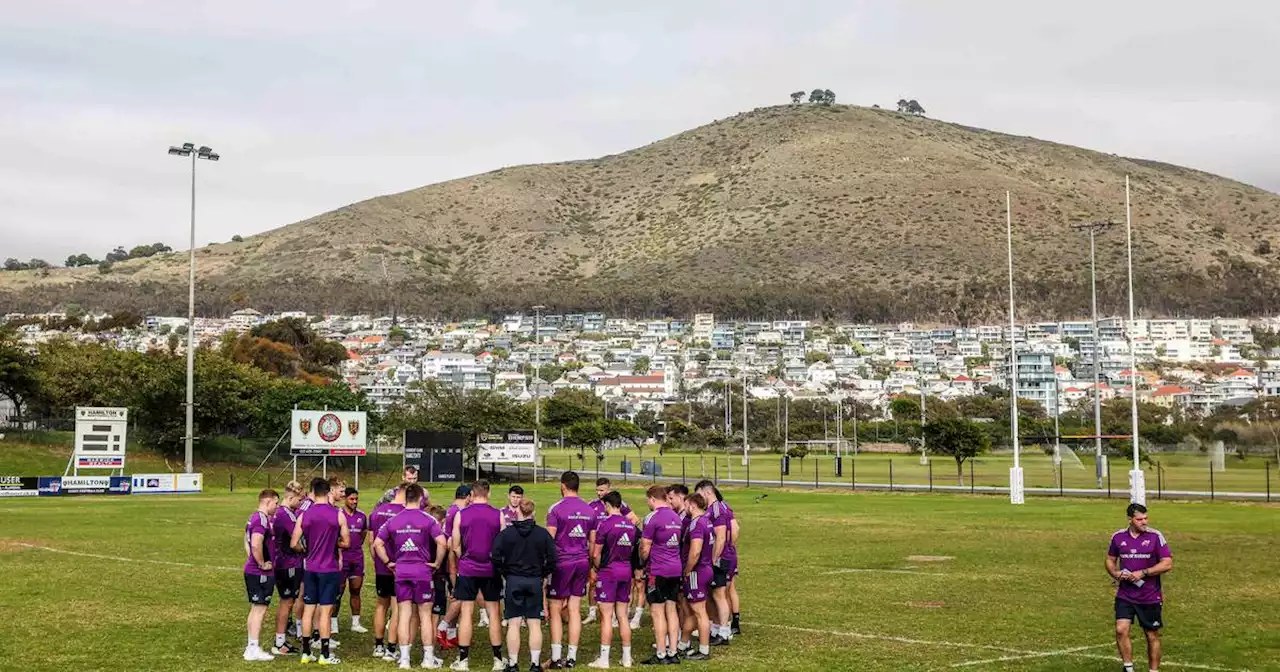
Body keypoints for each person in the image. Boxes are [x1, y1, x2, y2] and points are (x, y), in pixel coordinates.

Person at [376, 483, 449, 670]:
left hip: (401, 572)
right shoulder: (428, 519)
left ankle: (405, 659)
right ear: (420, 498)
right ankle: (427, 658)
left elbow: (377, 543)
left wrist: (387, 562)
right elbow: (442, 543)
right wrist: (438, 563)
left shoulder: (394, 520)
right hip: (422, 572)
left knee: (404, 615)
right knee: (425, 616)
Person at [491, 497, 557, 672]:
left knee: (514, 622)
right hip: (534, 580)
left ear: (517, 511)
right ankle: (535, 664)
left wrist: (505, 571)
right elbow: (552, 558)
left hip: (513, 579)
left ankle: (513, 664)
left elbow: (495, 556)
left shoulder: (506, 534)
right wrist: (542, 574)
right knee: (534, 622)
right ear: (533, 513)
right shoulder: (542, 534)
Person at [1107, 503, 1173, 672]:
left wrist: (1143, 572)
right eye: (1139, 519)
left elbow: (1167, 563)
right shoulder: (1118, 537)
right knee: (1121, 630)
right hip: (1125, 594)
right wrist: (1115, 573)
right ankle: (1128, 668)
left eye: (1146, 518)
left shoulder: (1155, 536)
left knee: (1151, 635)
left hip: (1149, 596)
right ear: (1130, 520)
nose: (1144, 522)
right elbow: (1110, 559)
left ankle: (1153, 670)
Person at [292, 478, 351, 665]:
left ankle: (306, 652)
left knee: (308, 610)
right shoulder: (338, 514)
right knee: (325, 612)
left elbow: (294, 543)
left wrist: (306, 550)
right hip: (329, 568)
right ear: (328, 493)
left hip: (310, 568)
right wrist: (334, 543)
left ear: (313, 492)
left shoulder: (304, 515)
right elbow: (347, 542)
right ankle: (325, 654)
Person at [544, 472, 598, 670]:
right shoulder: (589, 509)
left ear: (563, 485)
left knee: (556, 609)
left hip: (561, 563)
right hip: (582, 561)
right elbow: (592, 541)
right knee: (575, 609)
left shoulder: (556, 509)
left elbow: (549, 539)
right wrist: (590, 562)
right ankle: (572, 657)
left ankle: (557, 657)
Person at [451, 480, 506, 671]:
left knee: (466, 612)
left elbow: (455, 545)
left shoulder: (461, 514)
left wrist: (464, 558)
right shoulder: (498, 514)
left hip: (468, 568)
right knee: (494, 613)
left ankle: (463, 660)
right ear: (488, 493)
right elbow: (503, 545)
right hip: (491, 569)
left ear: (472, 495)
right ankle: (498, 660)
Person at [587, 491, 636, 669]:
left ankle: (604, 659)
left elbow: (596, 553)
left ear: (607, 505)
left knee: (606, 616)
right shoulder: (630, 525)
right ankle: (627, 658)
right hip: (626, 571)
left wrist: (596, 567)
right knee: (623, 616)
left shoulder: (605, 524)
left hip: (609, 572)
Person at [637, 485, 683, 666]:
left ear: (652, 499)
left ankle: (661, 653)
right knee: (671, 610)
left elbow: (645, 546)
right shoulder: (676, 517)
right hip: (675, 569)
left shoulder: (651, 518)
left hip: (658, 570)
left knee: (657, 612)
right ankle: (673, 651)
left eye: (648, 500)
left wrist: (641, 564)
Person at [587, 478, 640, 628]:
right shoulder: (592, 505)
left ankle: (614, 618)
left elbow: (635, 520)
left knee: (611, 583)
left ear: (608, 490)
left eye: (602, 490)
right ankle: (592, 612)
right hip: (598, 545)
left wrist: (621, 532)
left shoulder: (619, 505)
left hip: (612, 550)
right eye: (597, 490)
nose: (599, 493)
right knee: (592, 581)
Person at [370, 483, 409, 662]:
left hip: (381, 566)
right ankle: (391, 648)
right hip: (398, 566)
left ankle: (378, 645)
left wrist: (378, 562)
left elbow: (372, 543)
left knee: (380, 605)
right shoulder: (406, 513)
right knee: (397, 608)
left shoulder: (377, 511)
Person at [694, 481, 734, 645]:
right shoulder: (713, 509)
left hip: (718, 559)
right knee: (712, 595)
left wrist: (712, 560)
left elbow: (721, 537)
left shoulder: (717, 509)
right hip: (714, 559)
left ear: (707, 492)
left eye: (699, 494)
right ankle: (717, 628)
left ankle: (724, 631)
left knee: (719, 594)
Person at [243, 488, 280, 662]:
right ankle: (253, 648)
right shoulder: (261, 519)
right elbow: (256, 544)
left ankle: (251, 646)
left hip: (254, 570)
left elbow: (246, 542)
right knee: (260, 609)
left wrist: (251, 558)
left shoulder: (253, 518)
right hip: (259, 572)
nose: (277, 506)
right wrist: (260, 563)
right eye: (276, 503)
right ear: (267, 501)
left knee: (256, 608)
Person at [270, 480, 305, 656]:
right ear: (291, 497)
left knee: (287, 601)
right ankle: (279, 643)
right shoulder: (287, 515)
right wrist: (306, 550)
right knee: (287, 602)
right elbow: (296, 542)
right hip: (288, 564)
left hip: (281, 562)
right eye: (299, 501)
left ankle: (280, 640)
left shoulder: (279, 512)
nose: (300, 505)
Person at [436, 485, 472, 651]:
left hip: (451, 560)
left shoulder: (452, 509)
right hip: (453, 561)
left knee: (458, 597)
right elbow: (452, 543)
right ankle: (442, 627)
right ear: (467, 496)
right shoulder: (459, 512)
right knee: (459, 596)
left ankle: (451, 634)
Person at [678, 493, 713, 662]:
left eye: (686, 505)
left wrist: (687, 570)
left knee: (700, 612)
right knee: (693, 610)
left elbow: (695, 551)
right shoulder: (707, 521)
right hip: (705, 569)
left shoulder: (696, 524)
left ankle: (704, 650)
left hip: (696, 572)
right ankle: (683, 644)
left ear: (691, 505)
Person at [338, 487, 369, 635]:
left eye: (356, 499)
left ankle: (356, 623)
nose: (354, 502)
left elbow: (363, 534)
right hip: (341, 559)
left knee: (356, 590)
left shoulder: (362, 516)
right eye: (351, 499)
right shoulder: (338, 515)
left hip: (357, 558)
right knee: (338, 591)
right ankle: (332, 623)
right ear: (345, 499)